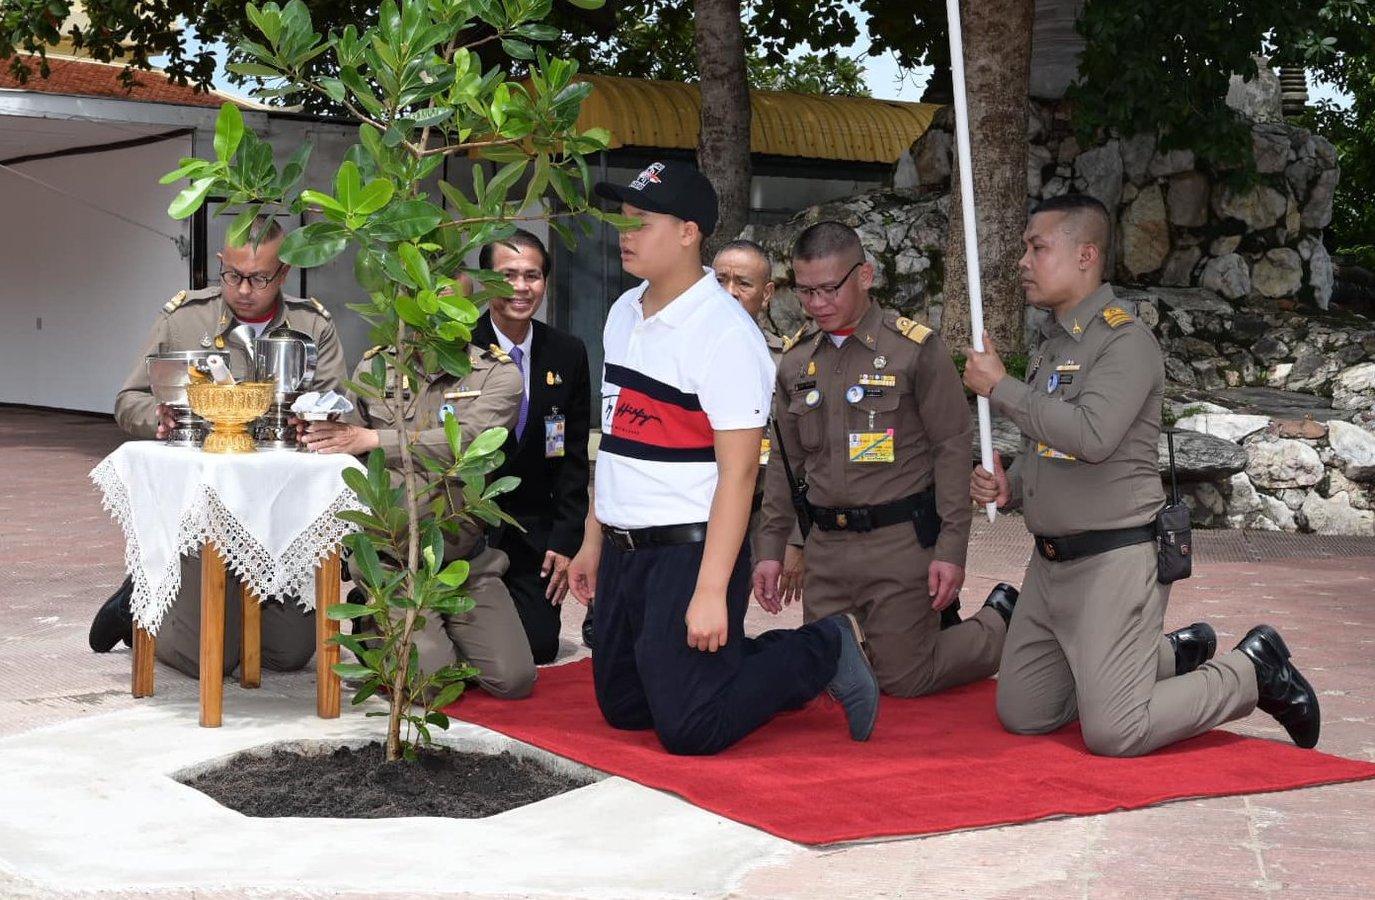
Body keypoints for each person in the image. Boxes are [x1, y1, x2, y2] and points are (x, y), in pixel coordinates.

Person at [965, 193, 1320, 756]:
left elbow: (1092, 436)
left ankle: (1254, 670)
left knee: (1115, 731)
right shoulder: (1055, 342)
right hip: (1051, 564)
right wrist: (1014, 479)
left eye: (1037, 248)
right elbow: (1054, 445)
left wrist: (1001, 388)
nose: (1023, 262)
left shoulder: (1124, 341)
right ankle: (1164, 657)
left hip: (1113, 559)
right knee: (1023, 712)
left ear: (1086, 256)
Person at [566, 160, 879, 755]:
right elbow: (611, 441)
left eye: (641, 221)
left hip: (688, 550)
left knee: (692, 728)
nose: (624, 233)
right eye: (621, 220)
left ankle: (825, 647)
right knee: (627, 710)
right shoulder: (621, 313)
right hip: (625, 547)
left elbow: (739, 476)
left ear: (689, 232)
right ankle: (724, 663)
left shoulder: (725, 333)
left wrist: (711, 591)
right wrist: (592, 536)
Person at [752, 220, 1012, 700]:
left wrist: (950, 551)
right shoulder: (794, 362)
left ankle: (1002, 624)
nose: (817, 304)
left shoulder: (913, 350)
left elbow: (952, 450)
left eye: (830, 288)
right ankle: (898, 639)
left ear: (865, 276)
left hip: (900, 545)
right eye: (806, 292)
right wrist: (772, 550)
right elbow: (787, 471)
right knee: (827, 679)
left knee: (902, 679)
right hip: (827, 548)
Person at [90, 218, 346, 679]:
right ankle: (139, 607)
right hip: (202, 514)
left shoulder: (313, 326)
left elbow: (341, 407)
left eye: (260, 278)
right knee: (207, 659)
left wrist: (320, 421)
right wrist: (160, 419)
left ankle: (196, 606)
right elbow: (128, 400)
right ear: (221, 267)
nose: (244, 290)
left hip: (275, 509)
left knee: (287, 656)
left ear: (284, 274)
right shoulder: (185, 317)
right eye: (232, 276)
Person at [300, 330, 537, 699]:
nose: (440, 319)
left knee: (515, 680)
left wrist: (376, 439)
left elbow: (473, 441)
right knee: (430, 688)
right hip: (394, 563)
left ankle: (426, 638)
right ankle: (385, 624)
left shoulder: (497, 374)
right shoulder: (376, 366)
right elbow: (344, 438)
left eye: (453, 308)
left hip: (464, 563)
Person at [472, 229, 593, 664]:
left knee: (538, 647)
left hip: (531, 534)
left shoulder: (567, 352)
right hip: (464, 526)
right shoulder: (453, 345)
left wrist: (565, 541)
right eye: (508, 275)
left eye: (533, 276)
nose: (521, 288)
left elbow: (574, 459)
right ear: (486, 281)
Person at [711, 239, 805, 606]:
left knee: (726, 614)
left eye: (743, 284)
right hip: (687, 508)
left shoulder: (786, 364)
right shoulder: (674, 353)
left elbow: (804, 458)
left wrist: (795, 538)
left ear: (766, 294)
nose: (729, 293)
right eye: (719, 281)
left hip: (755, 510)